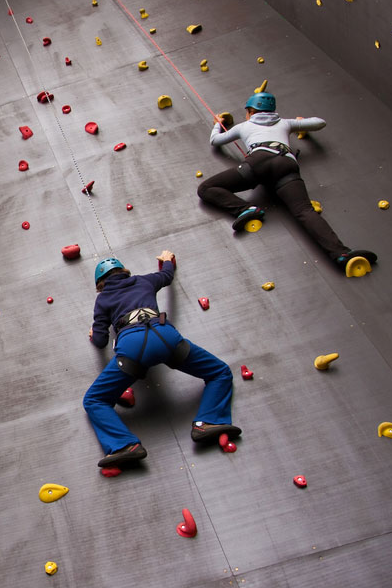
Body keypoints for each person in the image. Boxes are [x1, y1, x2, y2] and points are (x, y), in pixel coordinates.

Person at [83, 252, 239, 468]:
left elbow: (101, 341)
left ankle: (123, 446)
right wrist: (167, 259)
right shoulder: (144, 280)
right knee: (219, 372)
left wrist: (94, 334)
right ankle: (209, 422)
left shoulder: (103, 299)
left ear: (100, 284)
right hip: (165, 337)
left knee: (94, 400)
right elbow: (166, 275)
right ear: (125, 272)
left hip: (132, 348)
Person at [197, 92, 377, 275]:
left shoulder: (245, 125)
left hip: (259, 162)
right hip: (286, 164)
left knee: (206, 188)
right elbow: (320, 122)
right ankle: (342, 254)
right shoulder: (285, 122)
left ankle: (245, 209)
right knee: (305, 211)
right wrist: (302, 121)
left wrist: (217, 125)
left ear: (251, 111)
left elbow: (215, 141)